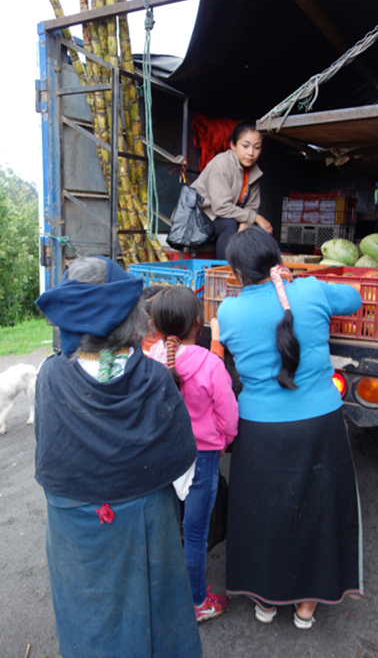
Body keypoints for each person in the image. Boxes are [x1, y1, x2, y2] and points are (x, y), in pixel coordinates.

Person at [34, 256, 202, 658]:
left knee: (88, 616)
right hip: (146, 523)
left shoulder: (51, 377)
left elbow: (50, 453)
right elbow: (182, 467)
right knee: (155, 612)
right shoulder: (154, 377)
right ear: (132, 318)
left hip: (74, 528)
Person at [216, 226, 363, 629]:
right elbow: (354, 299)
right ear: (278, 259)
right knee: (318, 510)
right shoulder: (311, 290)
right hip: (320, 424)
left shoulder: (228, 311)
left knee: (263, 511)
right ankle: (307, 606)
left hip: (260, 429)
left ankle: (266, 601)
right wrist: (296, 282)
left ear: (235, 272)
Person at [149, 285, 239, 623]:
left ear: (155, 328)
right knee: (196, 533)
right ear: (198, 326)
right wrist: (224, 439)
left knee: (168, 525)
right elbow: (229, 415)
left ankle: (165, 591)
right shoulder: (210, 364)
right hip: (202, 458)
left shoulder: (150, 360)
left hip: (163, 456)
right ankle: (197, 601)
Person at [191, 121, 273, 259]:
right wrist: (255, 218)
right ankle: (225, 273)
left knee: (259, 230)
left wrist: (245, 223)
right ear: (233, 145)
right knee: (229, 224)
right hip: (198, 218)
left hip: (224, 216)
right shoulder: (222, 164)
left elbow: (252, 207)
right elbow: (221, 208)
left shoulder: (254, 173)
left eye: (256, 147)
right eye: (245, 146)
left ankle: (252, 274)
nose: (251, 153)